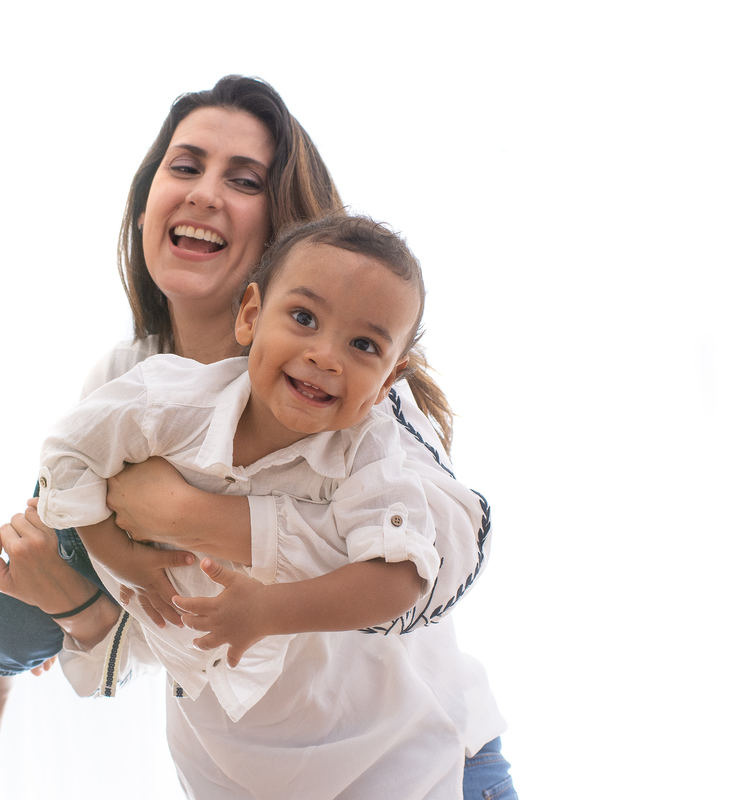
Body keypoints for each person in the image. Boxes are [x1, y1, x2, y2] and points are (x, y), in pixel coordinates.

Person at [0, 75, 514, 799]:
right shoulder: (127, 382)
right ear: (146, 203)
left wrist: (195, 516)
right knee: (33, 561)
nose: (204, 193)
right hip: (235, 781)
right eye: (185, 166)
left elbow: (444, 564)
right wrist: (84, 602)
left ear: (282, 225)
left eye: (243, 180)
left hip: (415, 773)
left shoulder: (353, 394)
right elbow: (168, 629)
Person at [31, 214, 442, 722]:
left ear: (387, 383)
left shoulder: (369, 449)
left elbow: (401, 577)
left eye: (364, 346)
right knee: (16, 614)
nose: (326, 357)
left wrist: (271, 611)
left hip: (333, 730)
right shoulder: (166, 399)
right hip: (86, 538)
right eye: (304, 318)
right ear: (251, 315)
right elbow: (66, 451)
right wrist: (118, 555)